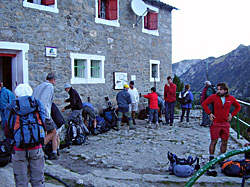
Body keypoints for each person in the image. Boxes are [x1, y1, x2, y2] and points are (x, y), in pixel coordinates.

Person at [5, 84, 46, 187]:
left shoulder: (11, 107)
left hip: (18, 148)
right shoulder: (37, 105)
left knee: (21, 181)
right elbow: (44, 122)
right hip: (36, 146)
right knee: (38, 180)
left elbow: (7, 129)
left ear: (17, 94)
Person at [202, 82, 241, 164]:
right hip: (216, 123)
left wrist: (232, 115)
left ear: (225, 90)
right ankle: (211, 159)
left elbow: (238, 107)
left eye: (220, 89)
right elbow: (204, 104)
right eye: (218, 89)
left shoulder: (231, 98)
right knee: (214, 141)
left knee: (225, 142)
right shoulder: (214, 97)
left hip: (225, 124)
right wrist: (209, 113)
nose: (218, 91)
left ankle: (222, 158)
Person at [33, 72, 58, 160]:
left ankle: (49, 151)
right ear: (53, 80)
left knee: (44, 132)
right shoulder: (49, 86)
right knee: (53, 131)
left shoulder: (39, 86)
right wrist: (47, 115)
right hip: (43, 113)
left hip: (35, 113)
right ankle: (39, 148)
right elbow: (45, 101)